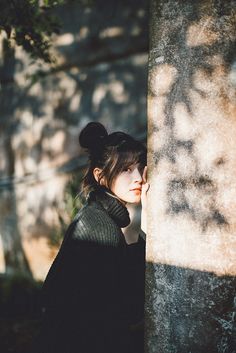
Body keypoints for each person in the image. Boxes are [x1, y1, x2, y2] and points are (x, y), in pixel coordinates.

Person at [35, 122, 149, 353]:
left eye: (140, 167)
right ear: (100, 176)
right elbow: (125, 305)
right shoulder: (98, 226)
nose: (137, 177)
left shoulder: (97, 217)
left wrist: (147, 218)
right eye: (126, 169)